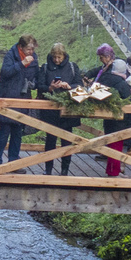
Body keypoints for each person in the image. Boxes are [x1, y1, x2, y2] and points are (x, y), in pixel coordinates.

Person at [0, 36, 38, 168]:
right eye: (28, 49)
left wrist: (33, 84)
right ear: (21, 47)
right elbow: (5, 72)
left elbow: (36, 75)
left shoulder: (34, 58)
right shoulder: (11, 55)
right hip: (8, 98)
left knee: (18, 132)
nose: (31, 52)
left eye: (32, 49)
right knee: (4, 131)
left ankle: (13, 163)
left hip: (23, 99)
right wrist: (21, 64)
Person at [36, 44, 82, 176]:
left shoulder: (72, 67)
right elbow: (40, 86)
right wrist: (50, 88)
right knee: (50, 139)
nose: (56, 60)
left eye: (59, 57)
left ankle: (64, 170)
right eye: (54, 57)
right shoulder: (45, 68)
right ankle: (48, 169)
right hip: (50, 110)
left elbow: (80, 85)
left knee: (66, 140)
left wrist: (69, 86)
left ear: (64, 56)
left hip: (68, 109)